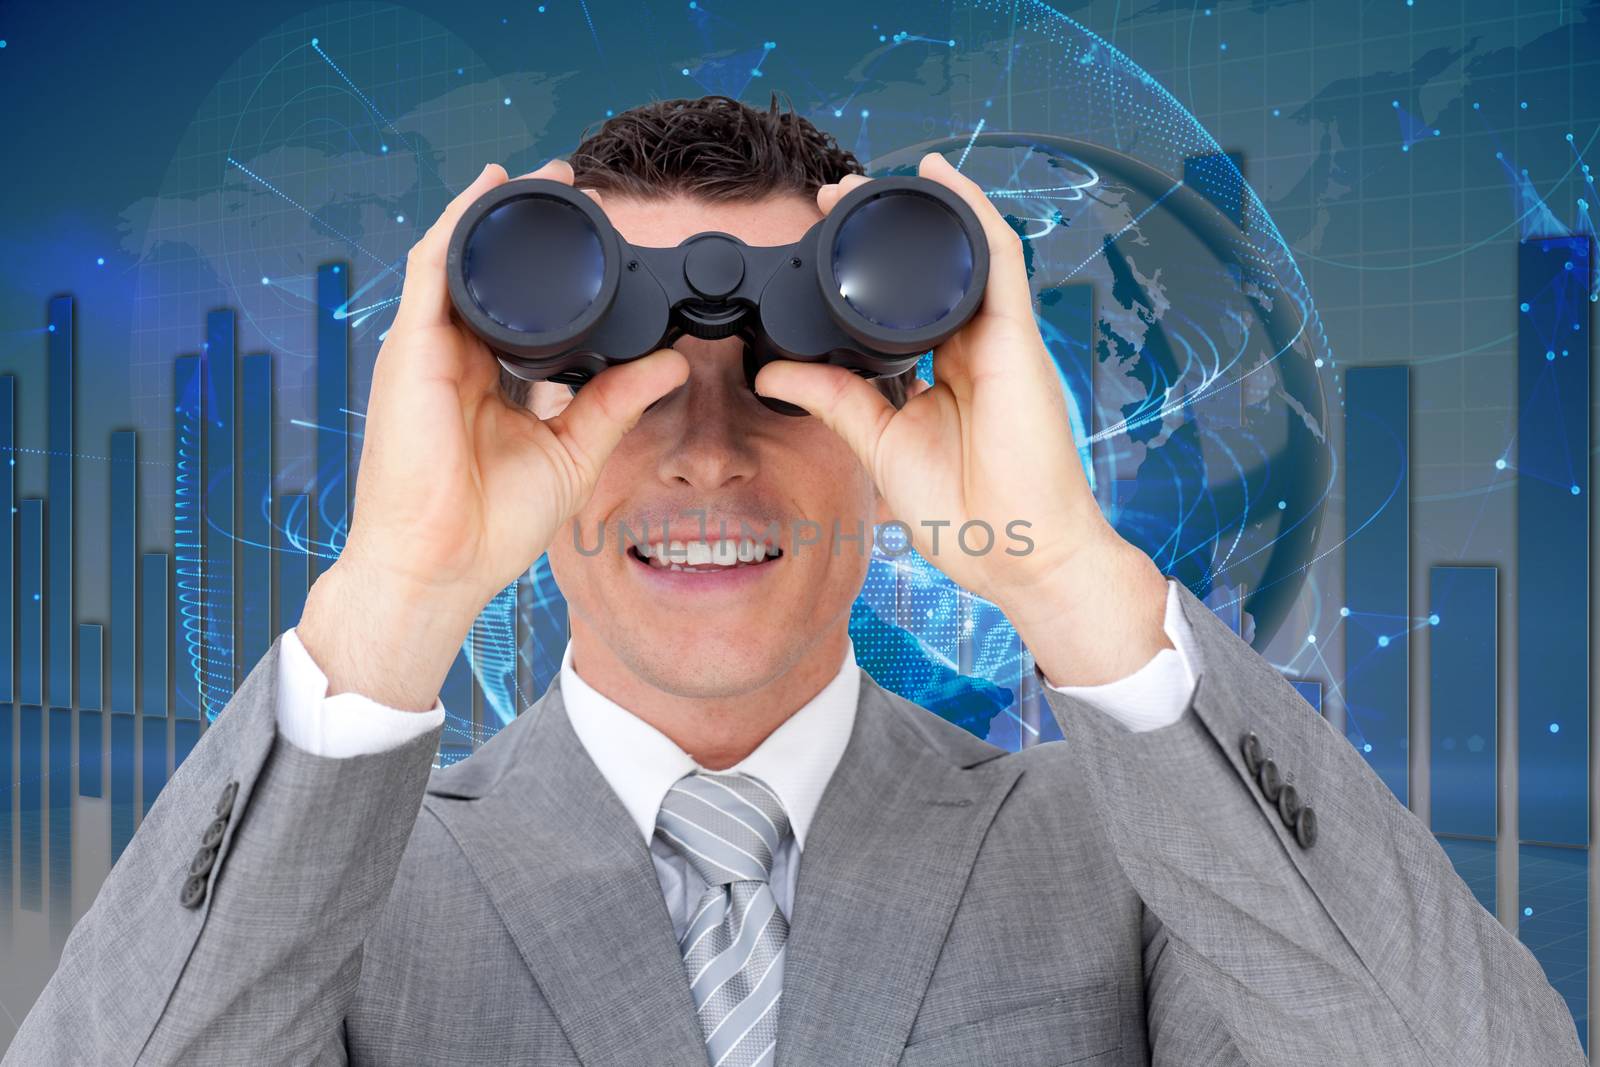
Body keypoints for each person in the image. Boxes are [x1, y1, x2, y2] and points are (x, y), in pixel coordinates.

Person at [5, 93, 1582, 1067]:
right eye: (610, 368)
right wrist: (396, 599)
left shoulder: (1125, 851)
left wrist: (1060, 570)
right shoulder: (338, 879)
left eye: (787, 367)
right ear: (503, 396)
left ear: (894, 402)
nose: (704, 448)